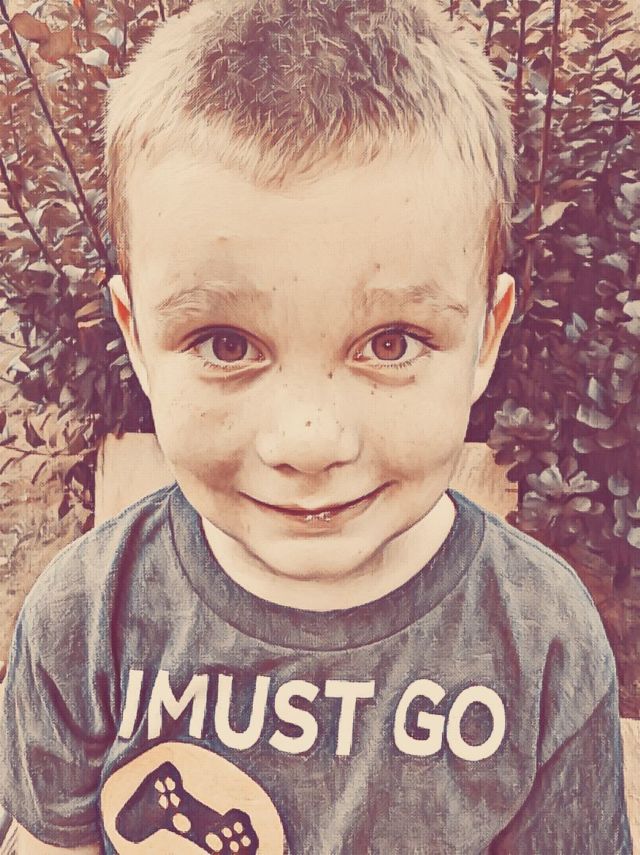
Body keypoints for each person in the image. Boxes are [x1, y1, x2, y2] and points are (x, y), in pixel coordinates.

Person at [0, 0, 632, 852]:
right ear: (137, 339)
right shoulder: (84, 621)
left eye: (391, 342)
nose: (307, 439)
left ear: (485, 337)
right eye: (226, 344)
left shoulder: (542, 644)